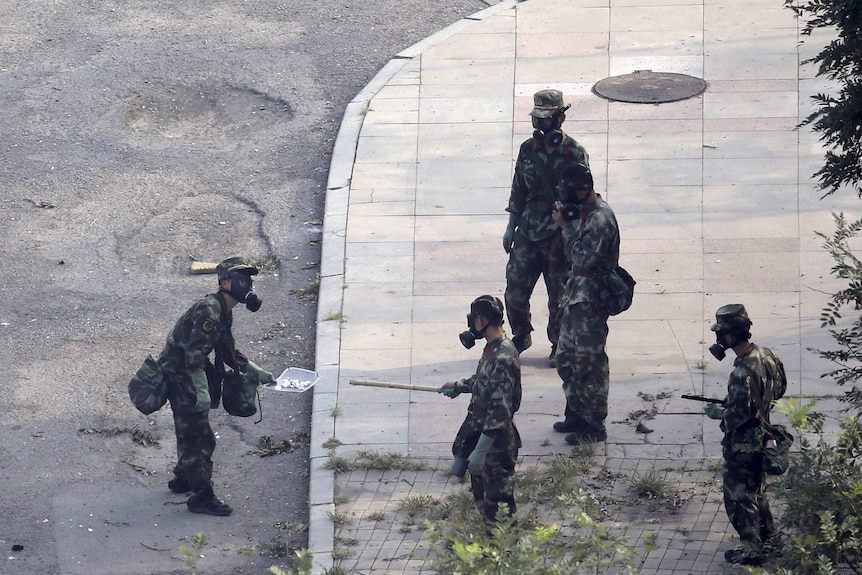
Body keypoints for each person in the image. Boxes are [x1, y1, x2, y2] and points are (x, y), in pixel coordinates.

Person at [159, 256, 276, 516]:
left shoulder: (224, 310)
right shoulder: (210, 311)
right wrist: (201, 390)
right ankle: (201, 498)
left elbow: (226, 349)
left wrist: (253, 370)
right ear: (224, 282)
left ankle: (183, 478)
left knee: (190, 434)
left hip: (187, 374)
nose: (246, 285)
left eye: (248, 280)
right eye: (240, 279)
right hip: (181, 377)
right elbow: (193, 356)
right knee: (200, 440)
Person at [504, 88, 590, 367]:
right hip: (528, 230)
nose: (540, 125)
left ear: (560, 119)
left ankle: (559, 343)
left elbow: (583, 196)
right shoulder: (527, 150)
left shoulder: (574, 152)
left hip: (558, 232)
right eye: (537, 119)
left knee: (560, 294)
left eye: (546, 119)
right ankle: (521, 336)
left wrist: (575, 233)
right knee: (515, 289)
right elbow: (518, 189)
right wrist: (511, 226)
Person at [704, 304, 787, 566]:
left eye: (722, 334)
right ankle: (770, 541)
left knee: (740, 499)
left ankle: (752, 551)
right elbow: (780, 389)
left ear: (730, 336)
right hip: (764, 434)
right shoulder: (767, 356)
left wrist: (720, 413)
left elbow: (737, 416)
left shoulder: (740, 372)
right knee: (758, 493)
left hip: (743, 444)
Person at [550, 163, 619, 445]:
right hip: (576, 294)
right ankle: (576, 412)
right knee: (567, 358)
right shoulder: (585, 214)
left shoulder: (600, 219)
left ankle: (594, 424)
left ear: (584, 188)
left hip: (591, 298)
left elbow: (582, 258)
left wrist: (567, 228)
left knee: (590, 363)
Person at [438, 296, 522, 523]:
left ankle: (504, 552)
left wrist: (481, 451)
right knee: (484, 502)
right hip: (481, 433)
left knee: (499, 505)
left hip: (496, 444)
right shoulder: (493, 349)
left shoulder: (502, 357)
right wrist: (459, 386)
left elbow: (500, 411)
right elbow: (485, 382)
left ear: (482, 320)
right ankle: (492, 550)